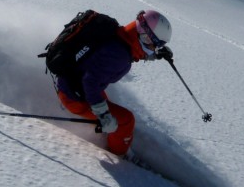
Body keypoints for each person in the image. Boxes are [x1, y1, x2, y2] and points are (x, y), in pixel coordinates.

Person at [54, 9, 173, 157]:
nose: (154, 48)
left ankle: (107, 129)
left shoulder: (122, 36)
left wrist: (155, 54)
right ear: (145, 36)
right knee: (126, 121)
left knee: (109, 109)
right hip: (74, 96)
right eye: (155, 44)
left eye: (159, 45)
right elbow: (90, 81)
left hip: (75, 81)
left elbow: (132, 49)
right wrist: (103, 115)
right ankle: (118, 155)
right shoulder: (119, 56)